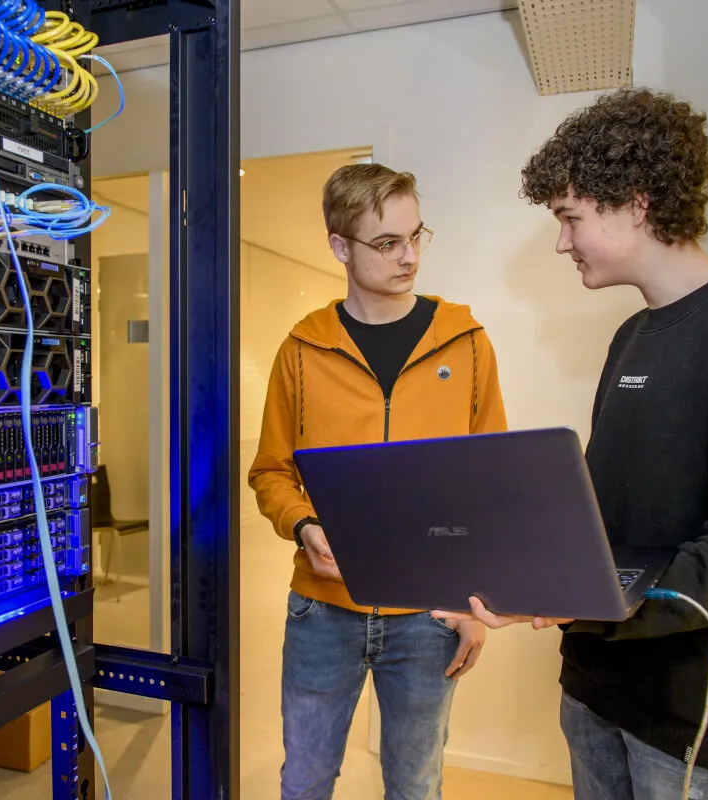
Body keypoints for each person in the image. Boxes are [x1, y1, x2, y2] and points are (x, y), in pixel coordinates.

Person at [435, 88, 708, 799]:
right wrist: (530, 573)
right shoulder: (633, 336)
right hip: (596, 690)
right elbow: (607, 519)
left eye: (570, 218)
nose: (562, 241)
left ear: (636, 203)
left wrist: (586, 598)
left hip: (693, 719)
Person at [248, 163, 508, 800]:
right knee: (304, 781)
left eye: (417, 236)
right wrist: (303, 524)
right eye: (388, 243)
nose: (410, 256)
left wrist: (478, 603)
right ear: (340, 247)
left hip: (430, 614)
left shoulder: (467, 343)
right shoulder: (302, 349)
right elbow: (270, 471)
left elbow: (494, 481)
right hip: (321, 610)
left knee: (416, 785)